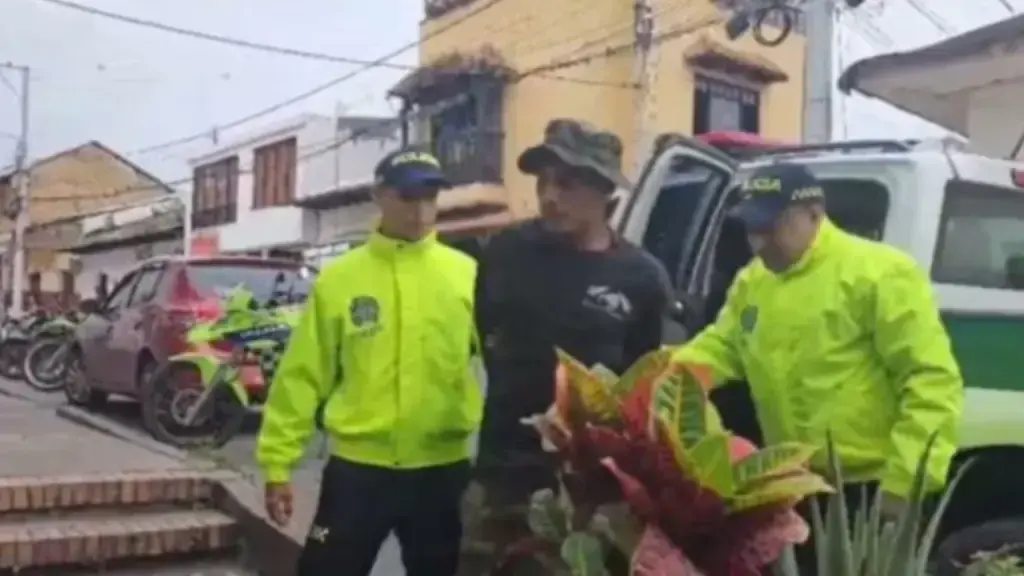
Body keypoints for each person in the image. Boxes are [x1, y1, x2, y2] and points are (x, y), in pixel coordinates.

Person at [671, 163, 963, 563]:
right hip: (793, 487)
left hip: (870, 491)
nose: (760, 242)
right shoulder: (753, 282)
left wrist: (904, 484)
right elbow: (722, 347)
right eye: (753, 229)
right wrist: (664, 380)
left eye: (772, 226)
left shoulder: (880, 272)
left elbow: (931, 380)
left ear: (814, 214)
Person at [256, 148, 482, 576]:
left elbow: (500, 365)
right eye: (408, 196)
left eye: (430, 198)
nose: (420, 211)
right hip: (356, 478)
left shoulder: (467, 275)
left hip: (441, 474)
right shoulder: (341, 280)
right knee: (321, 565)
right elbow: (302, 377)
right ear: (380, 195)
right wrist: (277, 464)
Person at [467, 118, 675, 570]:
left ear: (605, 193)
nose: (549, 196)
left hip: (589, 491)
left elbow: (645, 385)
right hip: (502, 475)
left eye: (567, 183)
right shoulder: (506, 252)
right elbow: (484, 337)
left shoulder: (642, 279)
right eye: (542, 182)